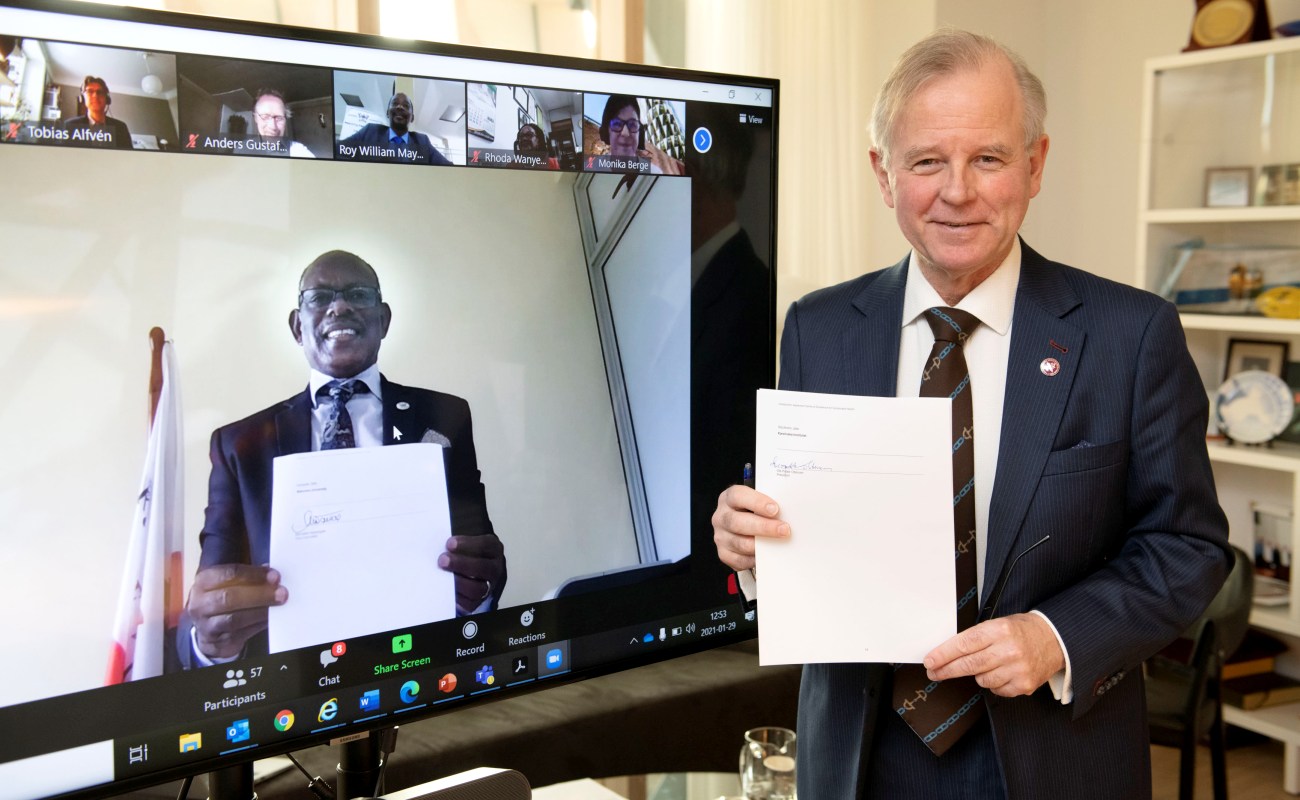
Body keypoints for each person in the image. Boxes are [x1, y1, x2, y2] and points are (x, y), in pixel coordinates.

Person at [712, 29, 1230, 800]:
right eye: (926, 161)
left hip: (1054, 752)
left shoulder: (1131, 335)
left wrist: (1055, 639)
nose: (958, 190)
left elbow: (1187, 547)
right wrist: (751, 545)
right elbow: (805, 525)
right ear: (884, 175)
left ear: (1035, 164)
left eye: (987, 158)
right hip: (858, 755)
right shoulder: (818, 327)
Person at [176, 250, 505, 669]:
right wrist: (210, 643)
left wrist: (482, 593)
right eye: (319, 297)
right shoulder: (239, 445)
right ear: (298, 326)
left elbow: (483, 564)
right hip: (293, 692)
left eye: (358, 294)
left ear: (383, 320)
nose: (340, 305)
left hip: (418, 669)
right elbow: (210, 609)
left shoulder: (447, 417)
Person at [339, 91, 452, 166]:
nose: (400, 107)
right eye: (395, 103)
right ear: (387, 113)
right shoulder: (370, 132)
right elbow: (339, 149)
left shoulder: (422, 141)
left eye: (406, 106)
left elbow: (448, 167)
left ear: (412, 118)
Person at [597, 94, 683, 175]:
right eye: (617, 124)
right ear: (606, 132)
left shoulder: (655, 171)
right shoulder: (595, 167)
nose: (626, 133)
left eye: (632, 124)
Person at [61, 76, 133, 149]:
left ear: (107, 99)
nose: (95, 95)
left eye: (100, 92)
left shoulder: (121, 128)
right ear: (83, 98)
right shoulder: (69, 126)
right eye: (90, 91)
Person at [251, 88, 315, 158]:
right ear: (255, 118)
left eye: (279, 118)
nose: (273, 127)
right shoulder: (239, 149)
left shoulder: (297, 150)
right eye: (265, 117)